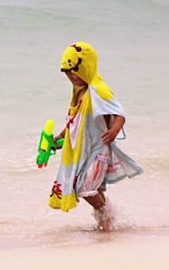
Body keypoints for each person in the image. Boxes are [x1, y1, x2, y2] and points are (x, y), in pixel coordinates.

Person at [48, 42, 143, 230]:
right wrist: (61, 138)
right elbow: (75, 122)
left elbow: (119, 114)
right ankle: (105, 224)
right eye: (67, 72)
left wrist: (114, 131)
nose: (71, 77)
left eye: (74, 70)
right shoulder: (79, 93)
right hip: (84, 151)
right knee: (91, 188)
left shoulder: (98, 90)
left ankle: (109, 215)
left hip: (99, 149)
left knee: (86, 188)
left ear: (86, 66)